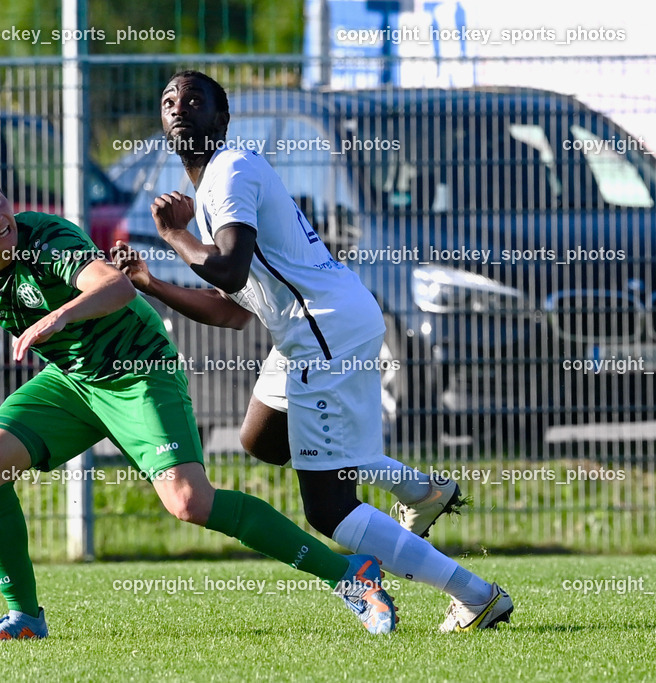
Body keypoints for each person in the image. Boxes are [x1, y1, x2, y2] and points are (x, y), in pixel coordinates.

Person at [0, 162, 398, 639]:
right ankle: (25, 616)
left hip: (138, 372)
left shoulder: (45, 239)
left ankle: (350, 573)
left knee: (190, 503)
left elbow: (114, 285)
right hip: (74, 381)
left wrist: (57, 318)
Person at [112, 70, 512, 632]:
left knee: (329, 509)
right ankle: (422, 490)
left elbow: (228, 267)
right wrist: (152, 283)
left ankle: (476, 595)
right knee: (263, 439)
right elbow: (231, 310)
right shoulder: (213, 188)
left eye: (195, 100)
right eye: (168, 100)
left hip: (323, 334)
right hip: (316, 330)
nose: (179, 107)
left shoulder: (229, 171)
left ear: (221, 119)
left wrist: (175, 236)